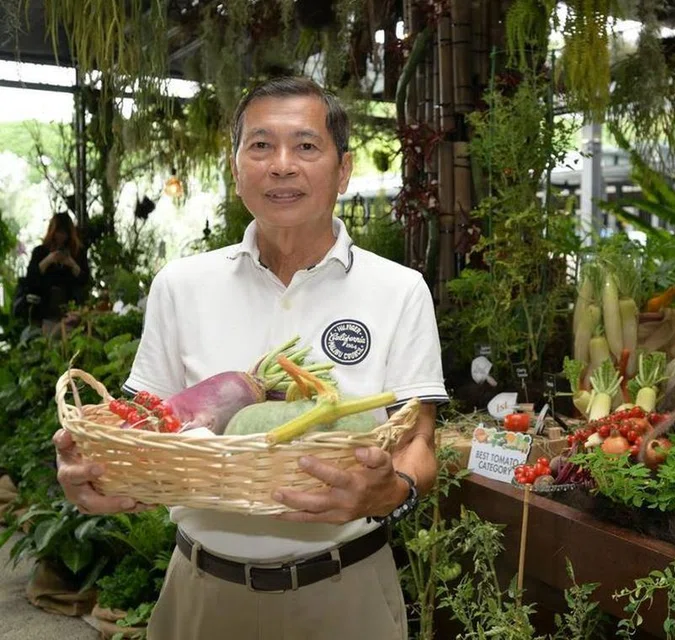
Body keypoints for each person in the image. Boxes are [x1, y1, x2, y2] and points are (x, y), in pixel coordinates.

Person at [53, 76, 448, 639]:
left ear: (343, 169)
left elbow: (419, 441)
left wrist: (393, 491)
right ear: (235, 166)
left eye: (306, 145)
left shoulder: (399, 290)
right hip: (200, 594)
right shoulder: (181, 286)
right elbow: (142, 426)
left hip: (345, 593)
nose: (281, 165)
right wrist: (94, 468)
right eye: (260, 145)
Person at [22, 212, 90, 327]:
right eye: (58, 232)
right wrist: (48, 260)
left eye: (64, 233)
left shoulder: (77, 253)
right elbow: (31, 281)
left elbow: (84, 280)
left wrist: (72, 264)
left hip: (70, 309)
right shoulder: (40, 252)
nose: (61, 236)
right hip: (44, 309)